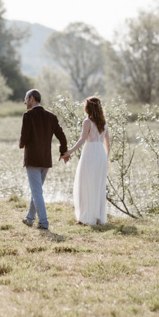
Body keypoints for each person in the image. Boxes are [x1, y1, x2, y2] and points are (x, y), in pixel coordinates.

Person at [19, 89, 68, 230]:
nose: (24, 102)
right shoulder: (51, 116)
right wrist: (63, 152)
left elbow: (24, 135)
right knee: (37, 190)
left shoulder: (28, 116)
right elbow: (62, 136)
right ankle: (29, 218)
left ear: (32, 99)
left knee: (36, 192)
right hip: (46, 160)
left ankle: (44, 223)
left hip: (33, 159)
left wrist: (21, 144)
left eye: (26, 99)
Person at [61, 96, 110, 226]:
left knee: (86, 184)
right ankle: (97, 217)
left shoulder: (87, 122)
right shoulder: (104, 123)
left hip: (90, 153)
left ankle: (87, 218)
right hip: (101, 155)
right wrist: (106, 159)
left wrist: (69, 151)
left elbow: (82, 140)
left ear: (88, 108)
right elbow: (108, 144)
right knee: (98, 186)